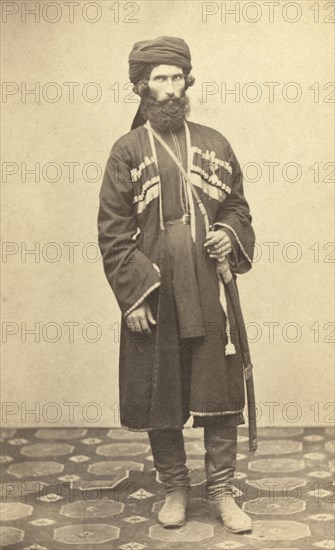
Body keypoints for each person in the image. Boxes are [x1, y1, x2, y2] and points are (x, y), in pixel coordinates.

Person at [98, 36, 255, 533]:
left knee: (218, 388)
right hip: (156, 293)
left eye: (176, 77)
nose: (169, 88)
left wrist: (229, 234)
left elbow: (237, 205)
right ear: (141, 86)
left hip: (208, 287)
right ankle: (174, 489)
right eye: (159, 79)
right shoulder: (125, 151)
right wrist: (133, 297)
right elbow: (112, 230)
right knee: (159, 389)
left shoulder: (214, 143)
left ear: (187, 81)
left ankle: (223, 491)